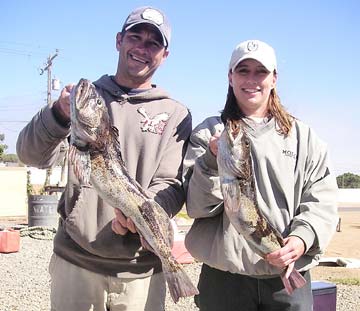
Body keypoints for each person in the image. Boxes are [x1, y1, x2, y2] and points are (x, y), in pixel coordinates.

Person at [16, 6, 192, 311]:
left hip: (140, 271)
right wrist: (57, 114)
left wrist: (143, 214)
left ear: (165, 54)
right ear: (118, 41)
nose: (142, 48)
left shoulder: (176, 113)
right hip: (75, 264)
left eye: (153, 43)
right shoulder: (81, 106)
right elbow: (31, 155)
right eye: (134, 37)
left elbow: (172, 184)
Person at [182, 39, 338, 310]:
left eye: (260, 71)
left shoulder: (303, 136)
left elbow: (321, 199)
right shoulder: (208, 133)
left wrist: (303, 237)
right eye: (243, 71)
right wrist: (210, 161)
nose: (251, 79)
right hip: (224, 280)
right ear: (230, 77)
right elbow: (197, 207)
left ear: (274, 78)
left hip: (286, 278)